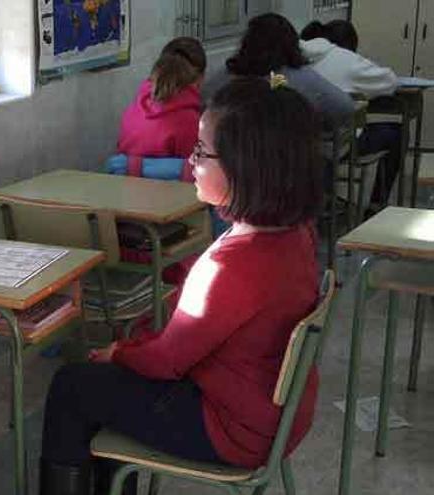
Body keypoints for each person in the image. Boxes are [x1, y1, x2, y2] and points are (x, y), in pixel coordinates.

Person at [38, 77, 323, 495]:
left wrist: (120, 352)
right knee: (109, 385)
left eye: (201, 152)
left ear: (247, 167)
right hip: (277, 413)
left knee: (72, 386)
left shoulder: (233, 267)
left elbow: (167, 361)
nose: (190, 164)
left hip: (233, 428)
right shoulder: (295, 232)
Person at [300, 19, 402, 211]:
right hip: (337, 144)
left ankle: (326, 197)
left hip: (298, 142)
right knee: (396, 132)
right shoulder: (347, 59)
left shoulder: (290, 59)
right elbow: (390, 81)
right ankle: (376, 206)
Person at [202, 13, 355, 131]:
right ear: (291, 44)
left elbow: (203, 103)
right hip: (287, 161)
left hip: (232, 159)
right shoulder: (302, 77)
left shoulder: (225, 76)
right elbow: (344, 107)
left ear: (247, 42)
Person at [116, 37, 206, 180]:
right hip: (174, 197)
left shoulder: (133, 111)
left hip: (125, 191)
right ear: (200, 78)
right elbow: (195, 175)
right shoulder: (191, 121)